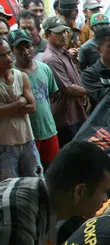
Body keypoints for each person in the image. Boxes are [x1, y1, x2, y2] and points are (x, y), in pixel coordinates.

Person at [9, 29, 60, 170]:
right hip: (27, 135)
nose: (25, 51)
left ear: (34, 46)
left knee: (54, 169)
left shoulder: (44, 68)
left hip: (49, 129)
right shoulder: (12, 75)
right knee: (34, 172)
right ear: (12, 51)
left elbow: (52, 94)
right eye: (19, 48)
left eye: (28, 46)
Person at [41, 16, 88, 148]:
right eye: (59, 32)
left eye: (65, 31)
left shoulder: (63, 52)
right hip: (66, 118)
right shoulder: (51, 58)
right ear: (48, 34)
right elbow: (67, 88)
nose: (64, 35)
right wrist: (89, 91)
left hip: (76, 112)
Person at [0, 37, 39, 182]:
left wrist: (6, 109)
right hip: (5, 145)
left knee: (36, 183)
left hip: (27, 140)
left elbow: (32, 107)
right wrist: (19, 103)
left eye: (9, 53)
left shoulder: (21, 76)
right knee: (10, 188)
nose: (8, 58)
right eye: (2, 55)